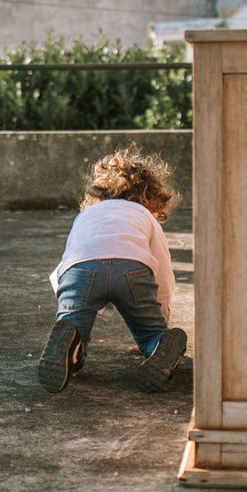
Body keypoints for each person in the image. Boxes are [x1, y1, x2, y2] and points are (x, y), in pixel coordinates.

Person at [39, 147, 188, 394]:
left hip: (80, 270)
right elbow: (162, 275)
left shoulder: (87, 215)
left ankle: (71, 350)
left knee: (72, 328)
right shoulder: (145, 216)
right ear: (150, 196)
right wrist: (160, 321)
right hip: (132, 270)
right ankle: (158, 344)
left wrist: (77, 303)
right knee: (151, 334)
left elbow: (66, 264)